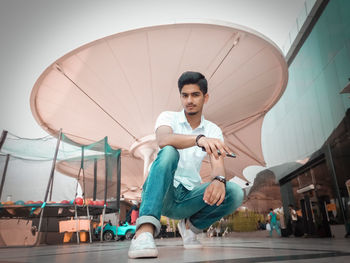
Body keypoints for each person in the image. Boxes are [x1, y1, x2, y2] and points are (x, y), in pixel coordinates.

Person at [128, 71, 244, 258]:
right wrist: (198, 139)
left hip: (189, 197)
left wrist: (219, 179)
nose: (189, 100)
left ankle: (190, 227)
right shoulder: (168, 117)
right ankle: (144, 232)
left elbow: (217, 163)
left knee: (235, 192)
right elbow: (164, 139)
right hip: (163, 193)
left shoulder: (213, 129)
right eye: (185, 95)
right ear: (181, 97)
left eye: (195, 95)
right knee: (169, 151)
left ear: (205, 98)